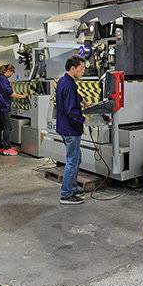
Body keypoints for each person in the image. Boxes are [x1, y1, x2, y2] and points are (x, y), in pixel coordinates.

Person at [55, 55, 87, 205]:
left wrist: (81, 99)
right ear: (72, 68)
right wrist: (84, 120)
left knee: (76, 159)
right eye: (81, 68)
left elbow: (70, 97)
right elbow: (71, 110)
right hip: (70, 129)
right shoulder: (69, 85)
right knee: (72, 161)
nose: (83, 71)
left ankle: (72, 188)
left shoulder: (64, 81)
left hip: (65, 127)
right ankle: (66, 194)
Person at [0, 64, 27, 156]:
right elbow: (10, 93)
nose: (12, 74)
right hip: (4, 106)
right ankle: (7, 148)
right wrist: (23, 96)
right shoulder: (3, 79)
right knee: (8, 127)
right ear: (8, 71)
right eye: (12, 72)